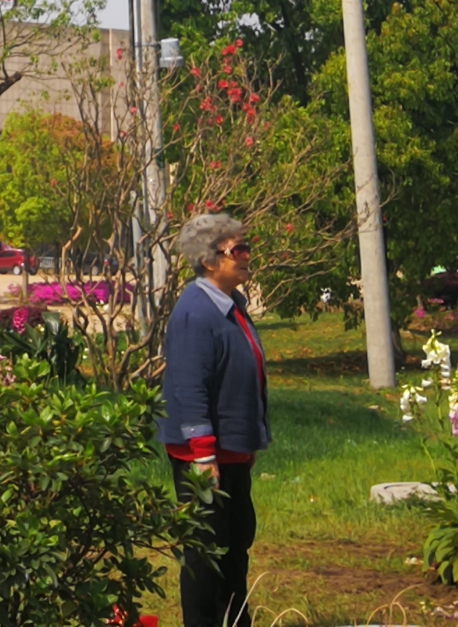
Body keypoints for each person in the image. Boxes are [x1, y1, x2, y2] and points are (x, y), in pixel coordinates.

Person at [160, 212, 269, 627]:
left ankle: (236, 620)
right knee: (206, 553)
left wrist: (247, 443)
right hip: (202, 457)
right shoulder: (196, 312)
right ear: (209, 260)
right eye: (236, 249)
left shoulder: (231, 305)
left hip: (232, 452)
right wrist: (204, 456)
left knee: (236, 543)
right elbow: (189, 387)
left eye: (246, 246)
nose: (246, 256)